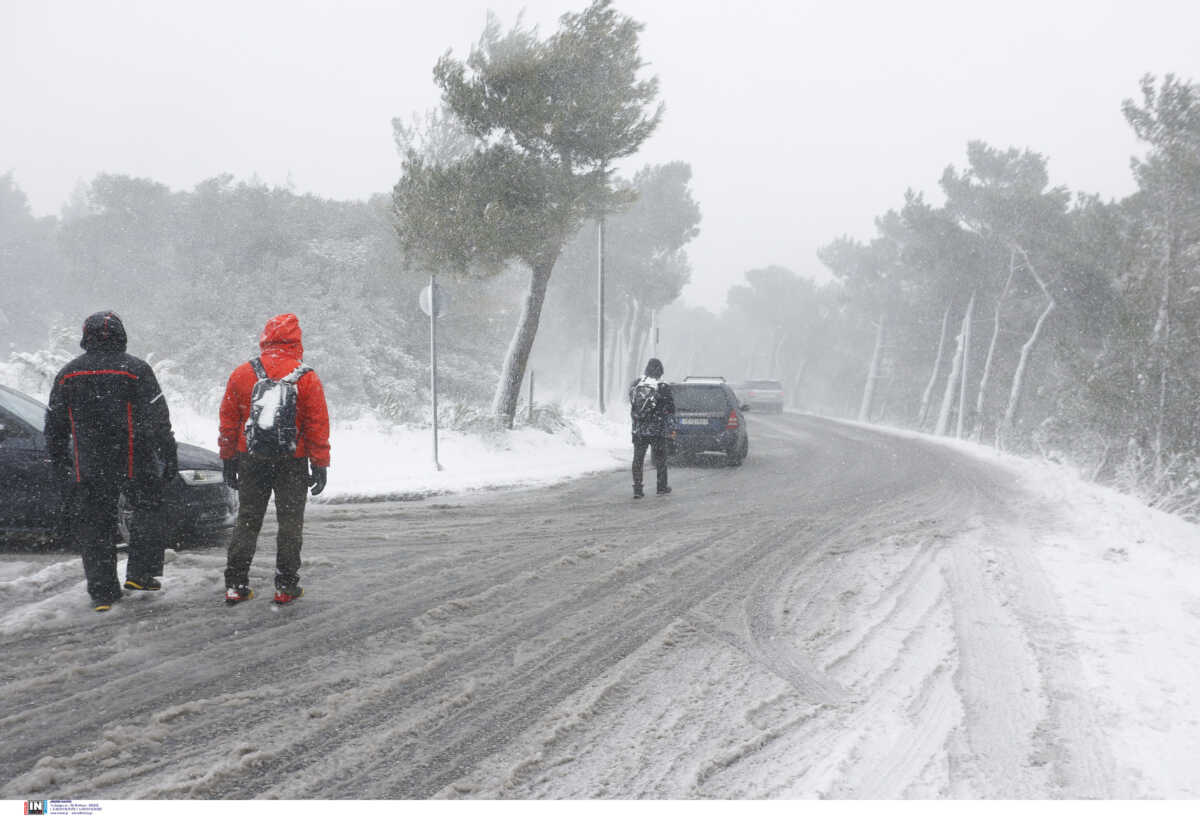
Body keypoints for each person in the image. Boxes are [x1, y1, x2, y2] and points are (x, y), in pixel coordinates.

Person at [44, 311, 178, 612]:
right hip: (135, 457)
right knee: (149, 508)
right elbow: (159, 420)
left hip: (89, 463)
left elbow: (54, 426)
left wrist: (60, 463)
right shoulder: (136, 369)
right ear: (121, 335)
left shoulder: (68, 374)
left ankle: (103, 592)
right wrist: (168, 454)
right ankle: (141, 575)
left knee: (95, 523)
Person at [218, 313, 330, 605]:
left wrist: (228, 459)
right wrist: (320, 463)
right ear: (297, 340)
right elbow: (317, 425)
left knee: (247, 520)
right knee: (290, 523)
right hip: (293, 459)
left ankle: (236, 584)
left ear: (265, 338)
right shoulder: (306, 376)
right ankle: (285, 585)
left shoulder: (242, 374)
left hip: (251, 457)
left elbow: (229, 422)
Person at [629, 357, 675, 499]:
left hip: (639, 429)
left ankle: (637, 488)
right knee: (660, 459)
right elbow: (671, 408)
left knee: (638, 459)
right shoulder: (663, 387)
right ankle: (661, 487)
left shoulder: (637, 384)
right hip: (657, 429)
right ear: (660, 371)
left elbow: (632, 404)